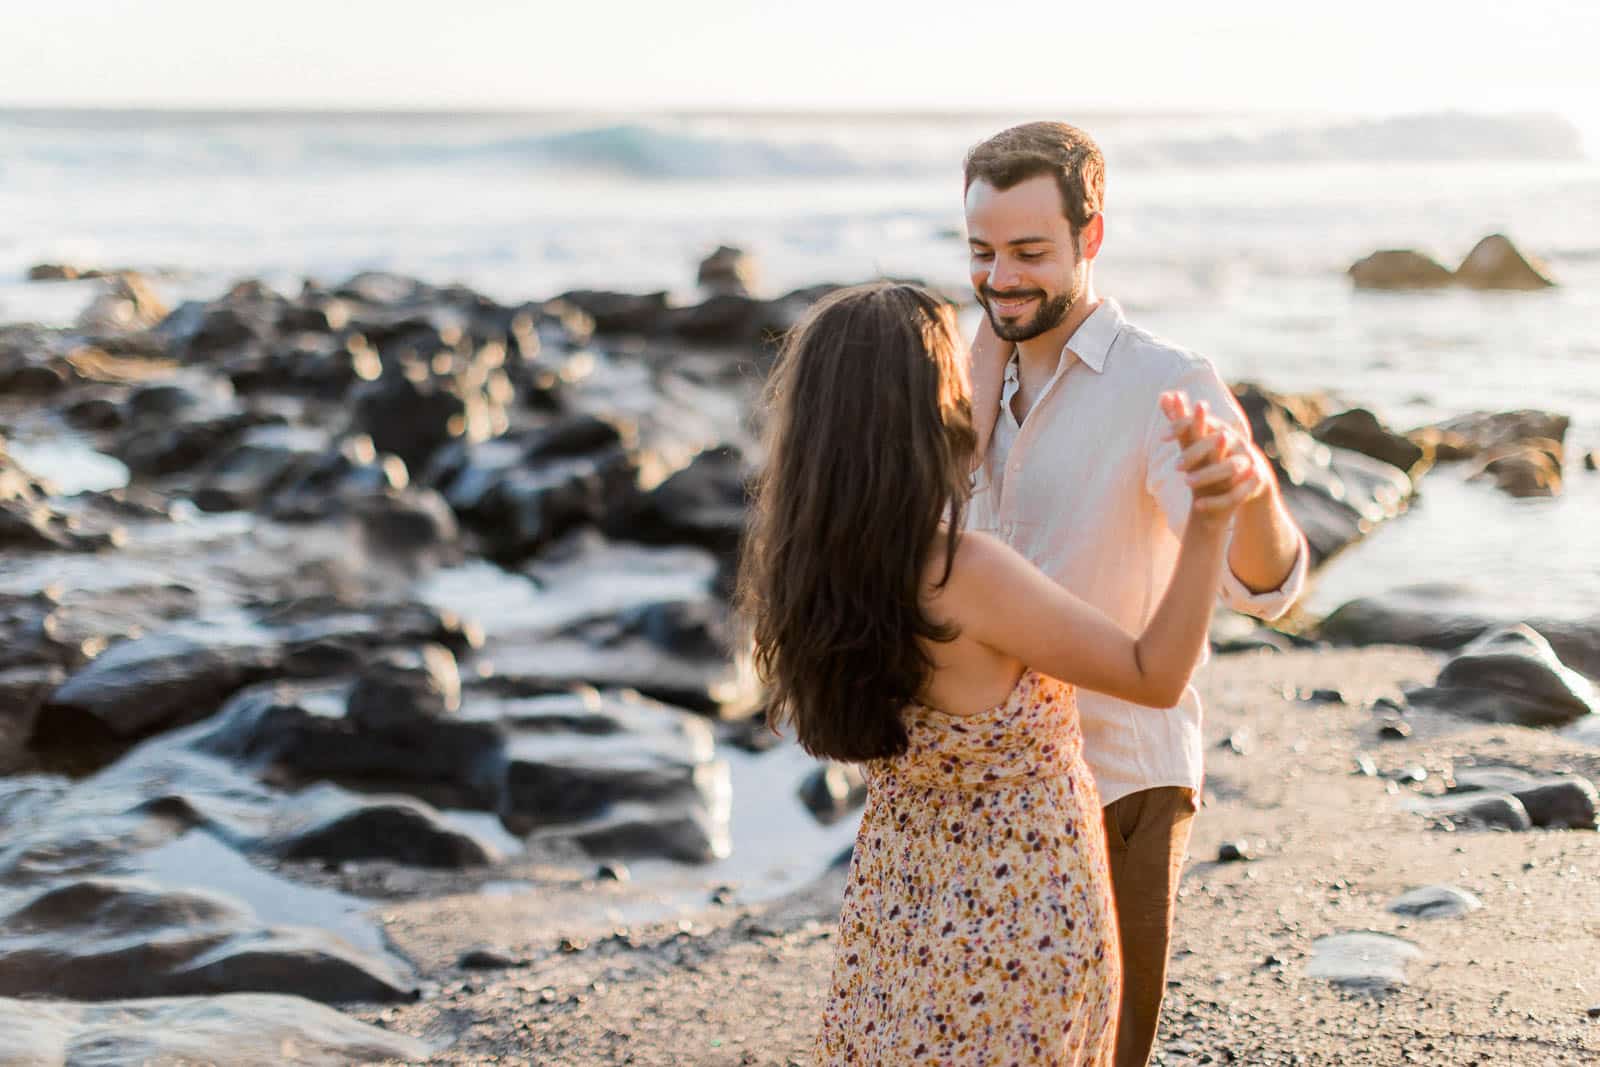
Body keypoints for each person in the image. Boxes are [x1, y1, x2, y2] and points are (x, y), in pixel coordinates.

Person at [737, 281, 1267, 1065]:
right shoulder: (967, 574)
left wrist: (982, 328)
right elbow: (1153, 674)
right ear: (927, 415)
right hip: (1015, 917)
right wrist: (1209, 525)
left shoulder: (813, 573)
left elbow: (953, 437)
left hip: (901, 913)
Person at [962, 121, 1309, 1067]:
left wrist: (1249, 486)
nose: (1002, 278)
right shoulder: (970, 375)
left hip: (1122, 778)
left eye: (1030, 252)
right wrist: (964, 392)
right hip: (986, 789)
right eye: (982, 252)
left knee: (1107, 1050)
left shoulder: (1166, 384)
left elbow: (1267, 586)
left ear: (1091, 236)